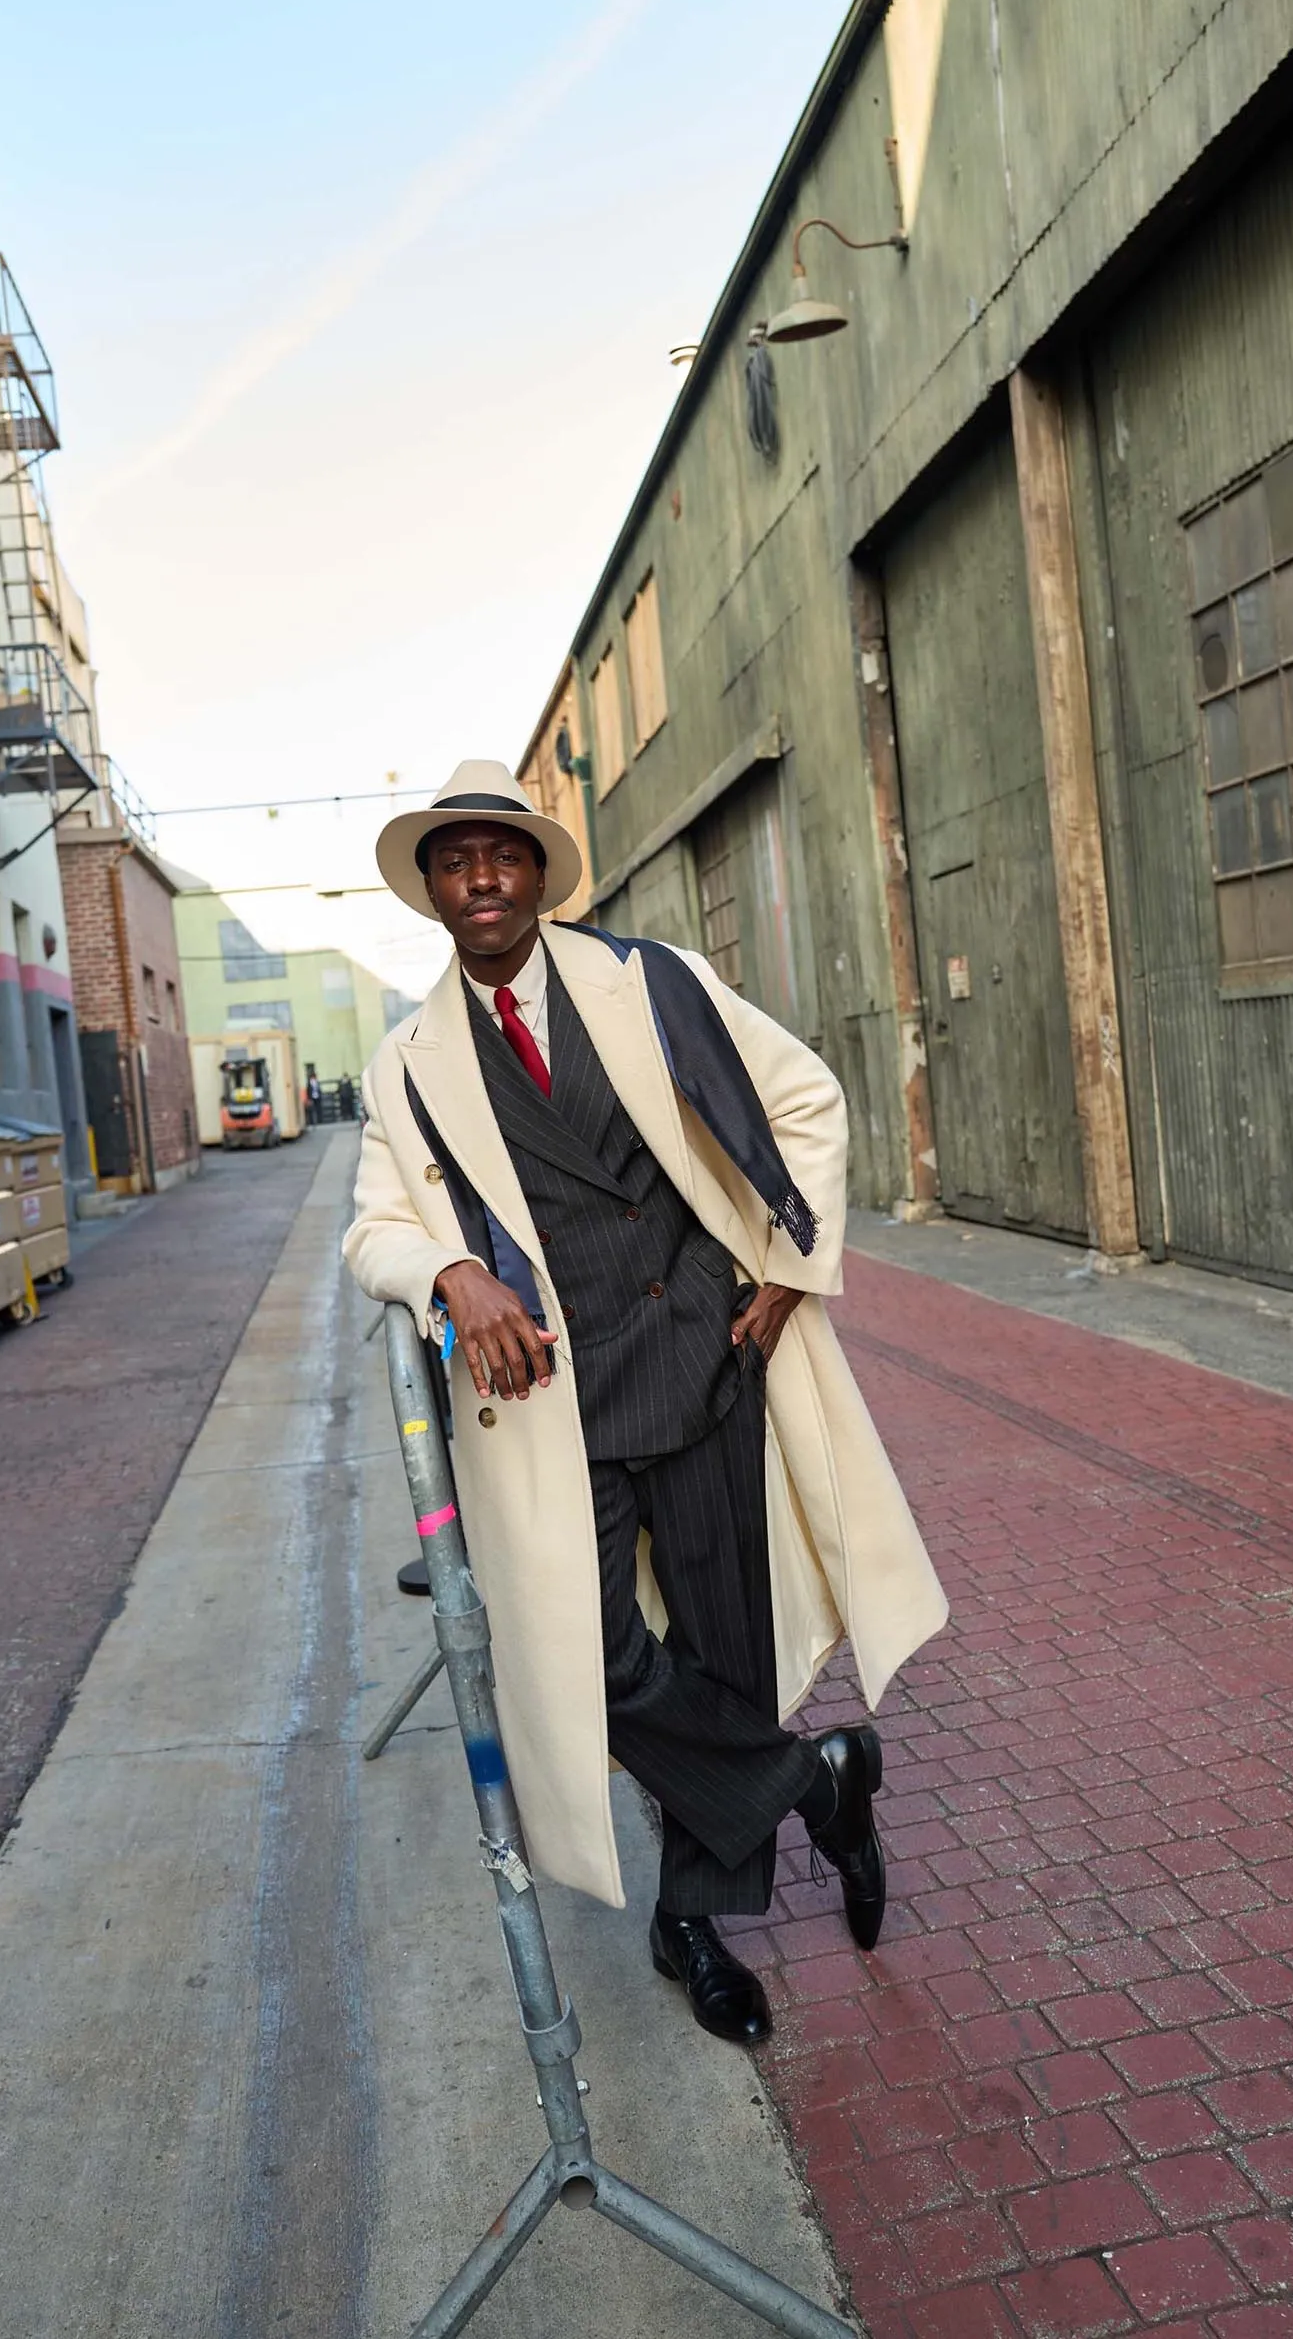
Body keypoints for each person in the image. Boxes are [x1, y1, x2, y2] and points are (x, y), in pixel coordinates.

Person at [344, 760, 947, 2045]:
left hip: (704, 1359)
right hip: (553, 1404)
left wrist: (787, 1267)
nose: (481, 877)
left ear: (537, 872)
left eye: (500, 853)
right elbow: (370, 1228)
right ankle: (818, 1782)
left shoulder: (649, 980)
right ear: (433, 890)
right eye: (454, 861)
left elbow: (804, 1098)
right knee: (586, 1655)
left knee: (725, 1650)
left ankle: (691, 1927)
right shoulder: (405, 1064)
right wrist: (447, 1269)